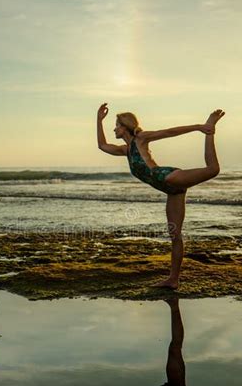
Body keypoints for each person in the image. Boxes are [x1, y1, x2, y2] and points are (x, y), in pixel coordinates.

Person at [96, 103, 225, 289]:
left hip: (167, 176)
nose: (114, 128)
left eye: (116, 125)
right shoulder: (126, 151)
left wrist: (199, 127)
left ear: (125, 126)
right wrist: (99, 120)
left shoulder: (140, 138)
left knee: (213, 169)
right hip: (171, 191)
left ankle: (210, 130)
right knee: (175, 234)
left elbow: (169, 132)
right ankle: (173, 280)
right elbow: (102, 145)